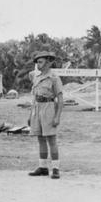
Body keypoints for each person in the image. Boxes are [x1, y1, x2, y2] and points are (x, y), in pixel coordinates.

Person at [28, 51, 64, 179]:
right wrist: (30, 115)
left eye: (41, 61)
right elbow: (34, 97)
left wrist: (57, 116)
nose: (38, 64)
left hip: (49, 108)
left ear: (48, 63)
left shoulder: (54, 77)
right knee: (40, 139)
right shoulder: (36, 77)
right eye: (37, 62)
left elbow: (60, 99)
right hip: (37, 108)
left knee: (51, 139)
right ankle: (43, 167)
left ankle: (55, 168)